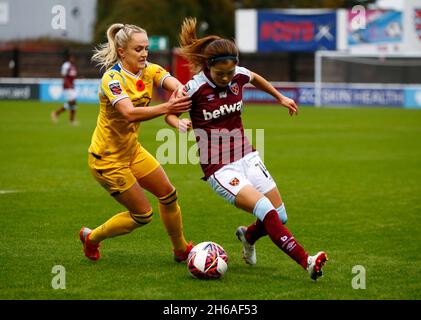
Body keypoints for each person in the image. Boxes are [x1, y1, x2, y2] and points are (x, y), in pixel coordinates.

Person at [165, 17, 328, 280]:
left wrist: (280, 97)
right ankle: (306, 261)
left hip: (247, 154)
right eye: (221, 74)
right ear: (208, 67)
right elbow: (169, 114)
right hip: (219, 166)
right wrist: (177, 122)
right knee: (265, 209)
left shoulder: (237, 75)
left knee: (280, 215)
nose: (227, 78)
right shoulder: (194, 87)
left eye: (231, 73)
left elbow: (255, 78)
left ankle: (248, 235)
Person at [79, 23, 193, 262]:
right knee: (143, 215)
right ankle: (91, 238)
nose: (144, 54)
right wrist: (167, 107)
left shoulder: (150, 70)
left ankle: (181, 249)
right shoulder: (112, 79)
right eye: (138, 49)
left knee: (169, 195)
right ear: (122, 51)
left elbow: (174, 84)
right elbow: (128, 112)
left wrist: (183, 92)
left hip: (132, 151)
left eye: (146, 48)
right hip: (107, 160)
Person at [51, 53, 79, 125]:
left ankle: (71, 120)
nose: (73, 59)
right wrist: (68, 85)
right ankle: (57, 113)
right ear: (69, 58)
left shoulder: (73, 66)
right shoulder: (66, 65)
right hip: (67, 87)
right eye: (72, 57)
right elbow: (64, 76)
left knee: (73, 102)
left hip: (72, 86)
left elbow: (72, 77)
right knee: (72, 101)